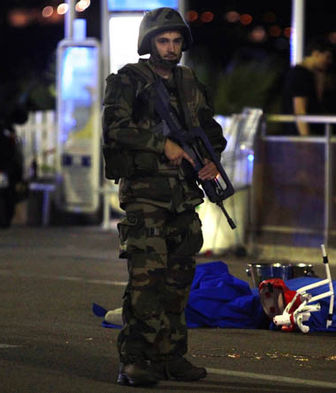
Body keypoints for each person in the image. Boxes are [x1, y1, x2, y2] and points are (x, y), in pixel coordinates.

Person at [101, 7, 227, 387]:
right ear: (149, 43)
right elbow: (114, 129)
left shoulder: (189, 82)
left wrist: (210, 162)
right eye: (163, 40)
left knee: (178, 281)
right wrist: (162, 144)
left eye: (176, 41)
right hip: (145, 196)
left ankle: (172, 356)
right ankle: (135, 360)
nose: (171, 48)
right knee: (146, 282)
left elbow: (210, 131)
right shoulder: (128, 80)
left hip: (184, 197)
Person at [282, 38, 334, 136]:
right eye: (327, 57)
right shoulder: (300, 74)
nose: (329, 62)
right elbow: (300, 109)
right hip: (299, 137)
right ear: (316, 54)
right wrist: (306, 141)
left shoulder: (310, 75)